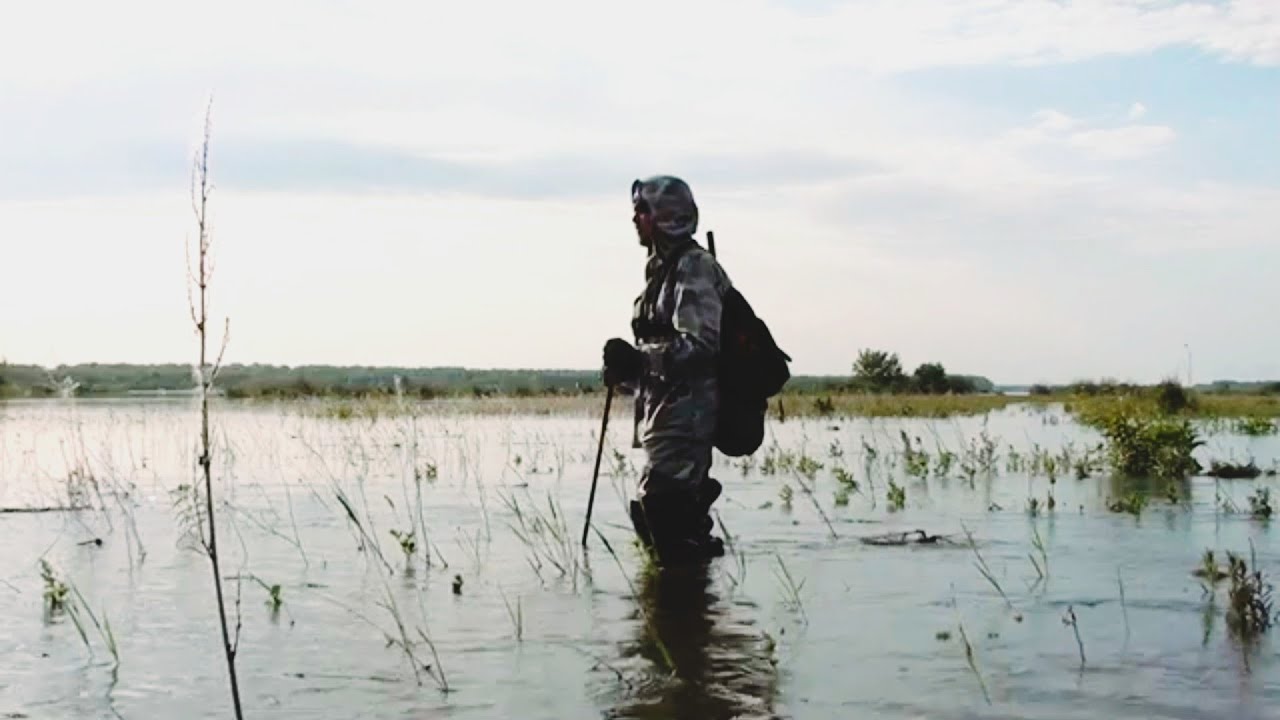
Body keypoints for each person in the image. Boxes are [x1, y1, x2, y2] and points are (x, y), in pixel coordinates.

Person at [602, 175, 728, 566]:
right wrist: (623, 371)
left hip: (687, 415)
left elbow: (700, 347)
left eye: (642, 210)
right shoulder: (660, 273)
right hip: (662, 414)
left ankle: (686, 613)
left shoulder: (694, 267)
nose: (635, 219)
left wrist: (640, 359)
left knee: (665, 514)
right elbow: (657, 356)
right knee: (656, 513)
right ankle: (683, 610)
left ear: (664, 215)